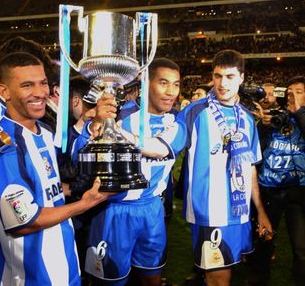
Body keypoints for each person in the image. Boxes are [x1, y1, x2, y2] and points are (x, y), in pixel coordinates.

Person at [114, 49, 272, 286]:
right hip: (210, 211)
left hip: (239, 212)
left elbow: (249, 167)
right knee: (219, 278)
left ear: (241, 78)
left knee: (226, 273)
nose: (222, 83)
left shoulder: (247, 119)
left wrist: (260, 210)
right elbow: (160, 148)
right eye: (218, 76)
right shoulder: (194, 112)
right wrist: (118, 132)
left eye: (229, 77)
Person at [0, 52, 110, 285]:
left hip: (64, 258)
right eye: (27, 85)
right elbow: (23, 221)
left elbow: (44, 187)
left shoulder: (44, 131)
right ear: (4, 92)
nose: (40, 93)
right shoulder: (4, 144)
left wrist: (76, 189)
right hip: (33, 273)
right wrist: (85, 204)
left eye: (43, 83)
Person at [85, 58, 181, 286]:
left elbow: (158, 150)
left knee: (152, 278)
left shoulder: (177, 124)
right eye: (164, 83)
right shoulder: (120, 116)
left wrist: (119, 133)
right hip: (115, 211)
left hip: (152, 210)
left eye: (176, 84)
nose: (171, 92)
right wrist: (98, 125)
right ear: (145, 82)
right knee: (111, 281)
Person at [248, 76, 305, 286]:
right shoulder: (277, 118)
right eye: (290, 92)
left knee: (300, 246)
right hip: (269, 189)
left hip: (296, 192)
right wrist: (263, 126)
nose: (293, 96)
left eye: (299, 92)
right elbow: (257, 150)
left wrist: (299, 112)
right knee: (264, 241)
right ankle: (258, 278)